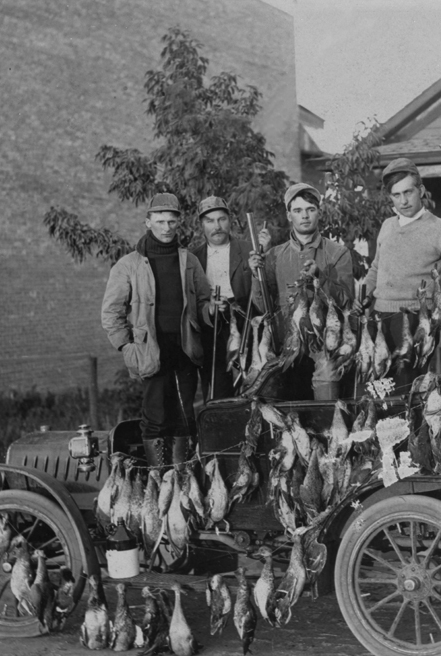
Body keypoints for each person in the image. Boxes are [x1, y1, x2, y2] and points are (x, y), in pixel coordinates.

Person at [100, 192, 225, 468]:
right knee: (155, 417)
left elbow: (203, 302)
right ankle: (159, 477)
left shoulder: (188, 260)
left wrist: (211, 310)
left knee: (184, 416)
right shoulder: (129, 264)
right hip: (150, 352)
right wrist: (127, 347)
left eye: (171, 222)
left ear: (178, 223)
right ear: (148, 222)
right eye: (160, 221)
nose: (166, 228)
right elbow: (110, 313)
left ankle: (179, 476)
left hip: (185, 350)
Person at [363, 157, 441, 389]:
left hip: (415, 322)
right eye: (396, 195)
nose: (403, 201)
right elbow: (376, 268)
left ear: (420, 190)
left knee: (408, 391)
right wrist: (363, 296)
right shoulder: (388, 225)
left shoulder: (439, 228)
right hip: (378, 319)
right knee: (376, 391)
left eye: (408, 192)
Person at [249, 182, 354, 400]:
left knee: (327, 373)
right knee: (263, 382)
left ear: (319, 212)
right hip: (283, 344)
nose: (304, 216)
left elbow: (346, 301)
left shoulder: (338, 253)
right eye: (297, 210)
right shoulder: (273, 256)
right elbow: (261, 305)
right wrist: (255, 275)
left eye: (310, 209)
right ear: (289, 216)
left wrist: (320, 277)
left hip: (324, 343)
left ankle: (327, 428)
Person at [190, 195, 254, 403]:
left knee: (253, 385)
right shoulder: (193, 258)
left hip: (246, 326)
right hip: (212, 329)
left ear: (230, 220)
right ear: (201, 225)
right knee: (217, 390)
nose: (217, 226)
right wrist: (208, 309)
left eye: (221, 219)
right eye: (210, 221)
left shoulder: (248, 250)